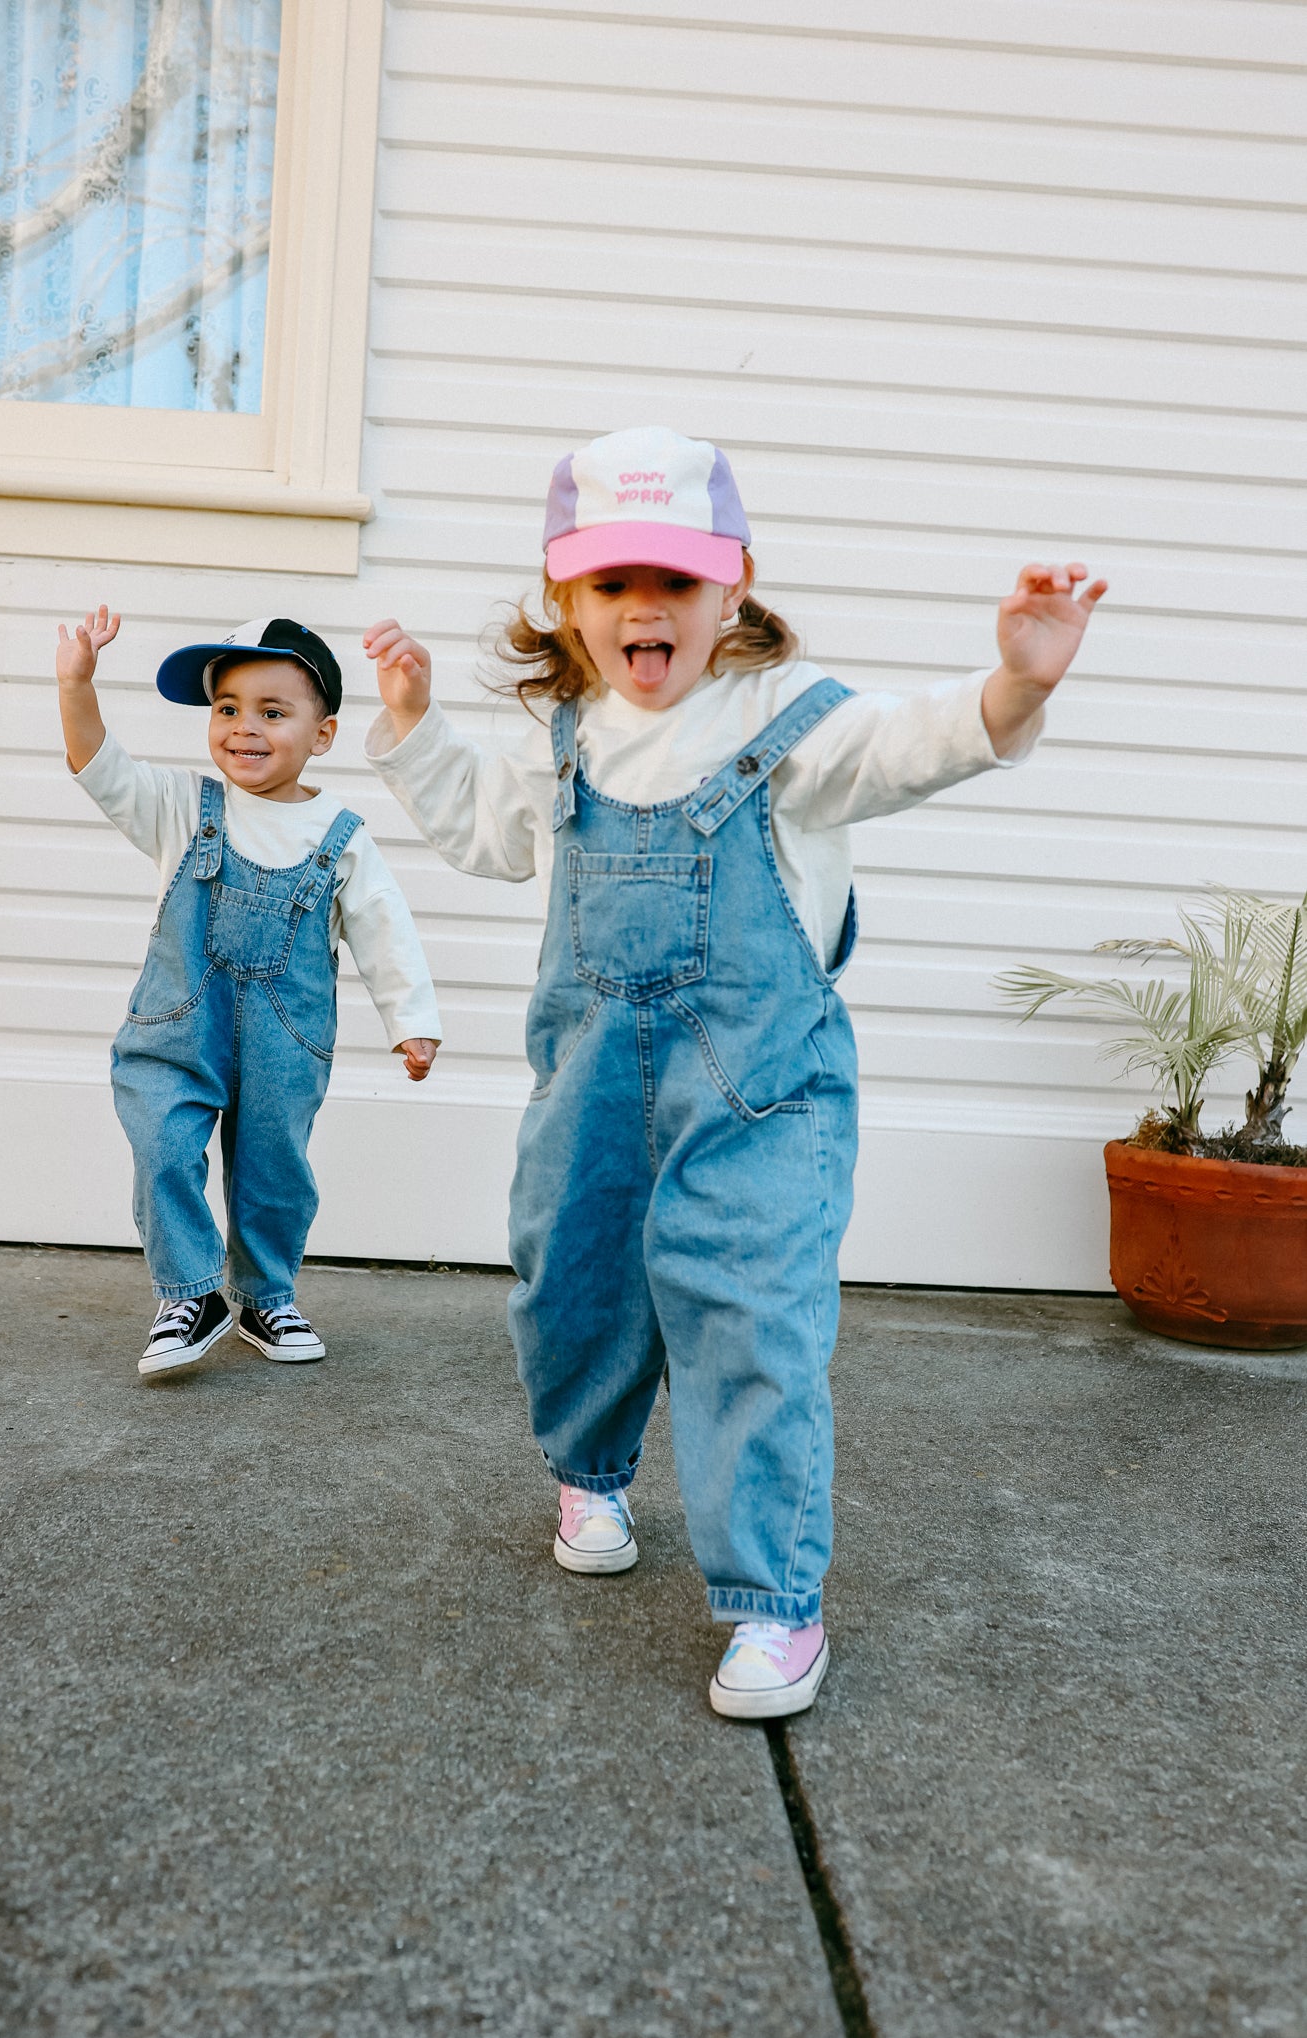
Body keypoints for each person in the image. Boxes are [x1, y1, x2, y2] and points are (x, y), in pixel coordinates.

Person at [361, 426, 1104, 1718]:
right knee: (573, 1280)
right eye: (610, 584)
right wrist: (414, 728)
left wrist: (1016, 683)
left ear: (733, 586)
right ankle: (589, 1472)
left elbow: (916, 741)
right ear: (566, 600)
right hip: (591, 1086)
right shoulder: (564, 740)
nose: (644, 606)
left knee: (748, 1313)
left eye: (677, 581)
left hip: (761, 1094)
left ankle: (775, 1605)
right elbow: (482, 837)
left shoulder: (795, 724)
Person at [56, 610, 441, 1381]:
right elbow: (98, 764)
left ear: (322, 733)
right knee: (163, 1147)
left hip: (284, 1040)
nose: (243, 728)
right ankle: (190, 1296)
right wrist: (76, 684)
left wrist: (412, 1023)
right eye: (227, 709)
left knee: (274, 1172)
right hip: (176, 1033)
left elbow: (382, 929)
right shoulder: (182, 808)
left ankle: (265, 1295)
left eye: (272, 711)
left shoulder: (340, 834)